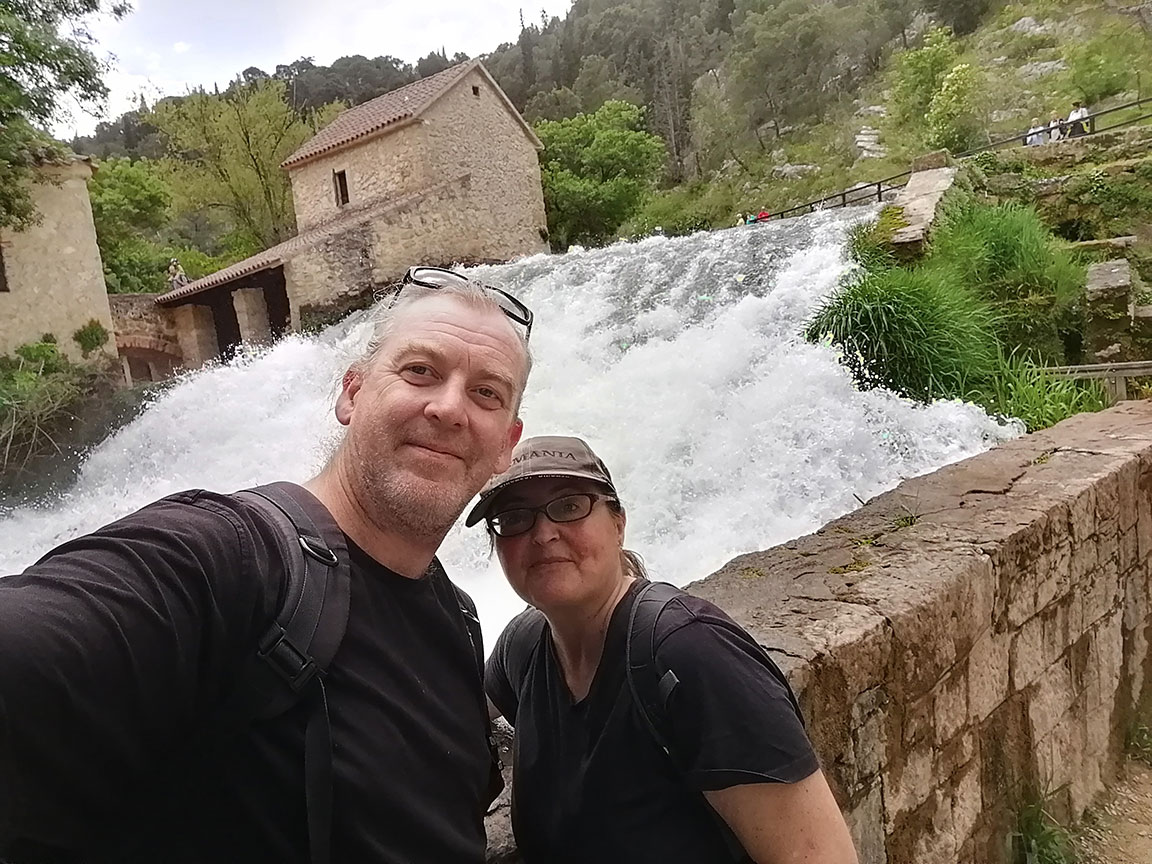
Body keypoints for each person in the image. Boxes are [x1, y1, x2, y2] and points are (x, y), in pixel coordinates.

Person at [0, 267, 534, 864]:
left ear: (506, 444)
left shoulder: (458, 620)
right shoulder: (226, 556)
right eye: (420, 371)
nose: (450, 408)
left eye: (487, 393)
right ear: (352, 393)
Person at [472, 436, 860, 864]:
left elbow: (818, 855)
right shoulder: (525, 645)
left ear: (618, 524)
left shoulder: (691, 651)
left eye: (569, 506)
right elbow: (457, 713)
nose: (544, 534)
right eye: (514, 518)